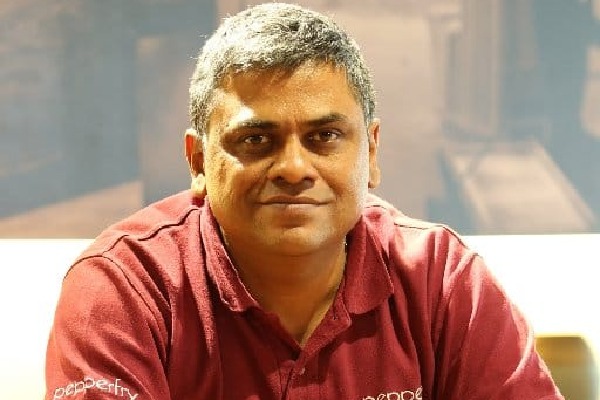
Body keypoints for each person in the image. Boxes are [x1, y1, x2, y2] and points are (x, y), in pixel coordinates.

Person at [45, 3, 564, 399]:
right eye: (256, 140)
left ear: (371, 153)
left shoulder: (441, 280)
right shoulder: (123, 290)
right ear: (199, 162)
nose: (294, 168)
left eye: (324, 137)